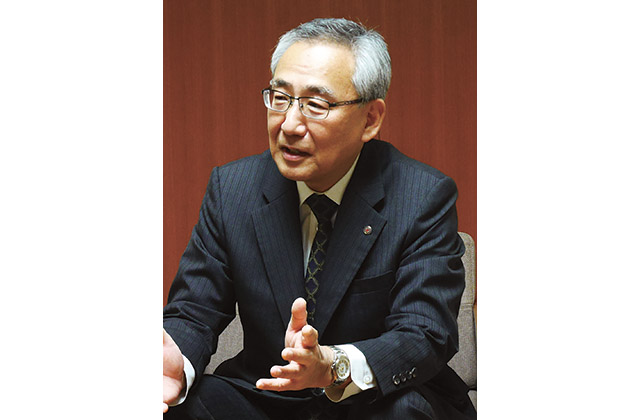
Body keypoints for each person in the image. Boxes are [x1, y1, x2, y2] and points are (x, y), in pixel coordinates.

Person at [163, 17, 476, 419]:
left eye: (316, 105)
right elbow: (193, 311)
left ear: (370, 119)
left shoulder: (421, 196)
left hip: (373, 399)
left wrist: (332, 365)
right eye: (280, 97)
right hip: (270, 395)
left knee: (405, 411)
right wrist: (175, 360)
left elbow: (424, 333)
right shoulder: (233, 189)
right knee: (191, 405)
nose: (290, 124)